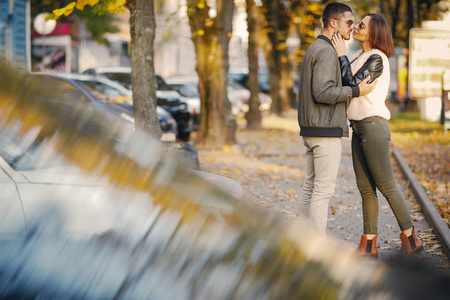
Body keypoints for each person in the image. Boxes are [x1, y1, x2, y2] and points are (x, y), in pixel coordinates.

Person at [331, 14, 423, 256]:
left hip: (373, 126)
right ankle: (368, 245)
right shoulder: (358, 56)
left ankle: (411, 239)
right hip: (358, 127)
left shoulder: (377, 59)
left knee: (386, 185)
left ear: (374, 33)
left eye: (362, 25)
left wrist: (341, 54)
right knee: (365, 188)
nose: (357, 27)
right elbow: (342, 82)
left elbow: (352, 86)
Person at [297, 2, 375, 235]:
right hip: (324, 130)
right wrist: (355, 91)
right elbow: (322, 92)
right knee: (322, 192)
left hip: (313, 129)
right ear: (333, 23)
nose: (352, 27)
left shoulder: (315, 48)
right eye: (349, 22)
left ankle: (301, 242)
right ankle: (315, 248)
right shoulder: (326, 52)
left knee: (311, 188)